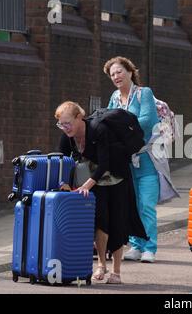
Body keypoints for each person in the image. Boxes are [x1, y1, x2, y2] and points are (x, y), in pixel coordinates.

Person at [56, 101, 147, 284]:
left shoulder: (98, 129)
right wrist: (64, 183)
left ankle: (116, 271)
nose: (65, 128)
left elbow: (105, 163)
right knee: (99, 221)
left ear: (79, 117)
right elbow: (62, 160)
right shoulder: (67, 137)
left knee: (116, 222)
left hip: (116, 175)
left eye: (68, 123)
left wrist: (86, 187)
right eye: (61, 124)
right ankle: (101, 265)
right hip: (94, 178)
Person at [104, 56, 160, 263]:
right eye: (112, 74)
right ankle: (136, 245)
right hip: (125, 162)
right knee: (131, 206)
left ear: (129, 71)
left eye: (119, 72)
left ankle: (150, 248)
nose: (116, 77)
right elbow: (106, 120)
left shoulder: (143, 93)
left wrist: (121, 124)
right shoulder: (114, 97)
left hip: (146, 160)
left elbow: (147, 120)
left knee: (146, 204)